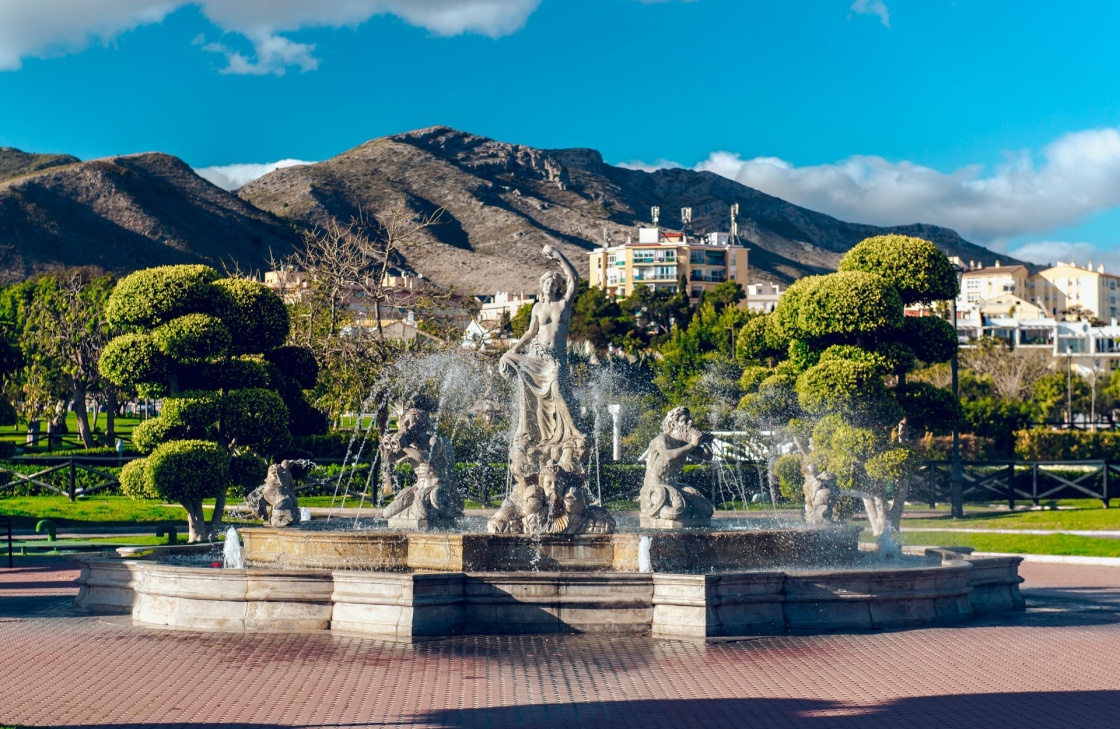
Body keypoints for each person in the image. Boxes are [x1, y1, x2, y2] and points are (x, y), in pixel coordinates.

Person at [498, 244, 586, 473]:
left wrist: (559, 257)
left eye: (552, 283)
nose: (549, 285)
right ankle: (537, 436)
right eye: (545, 282)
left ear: (557, 287)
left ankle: (573, 431)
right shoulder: (537, 307)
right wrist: (513, 350)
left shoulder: (563, 304)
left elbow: (574, 278)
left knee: (556, 391)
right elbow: (530, 332)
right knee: (535, 400)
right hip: (536, 354)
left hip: (555, 359)